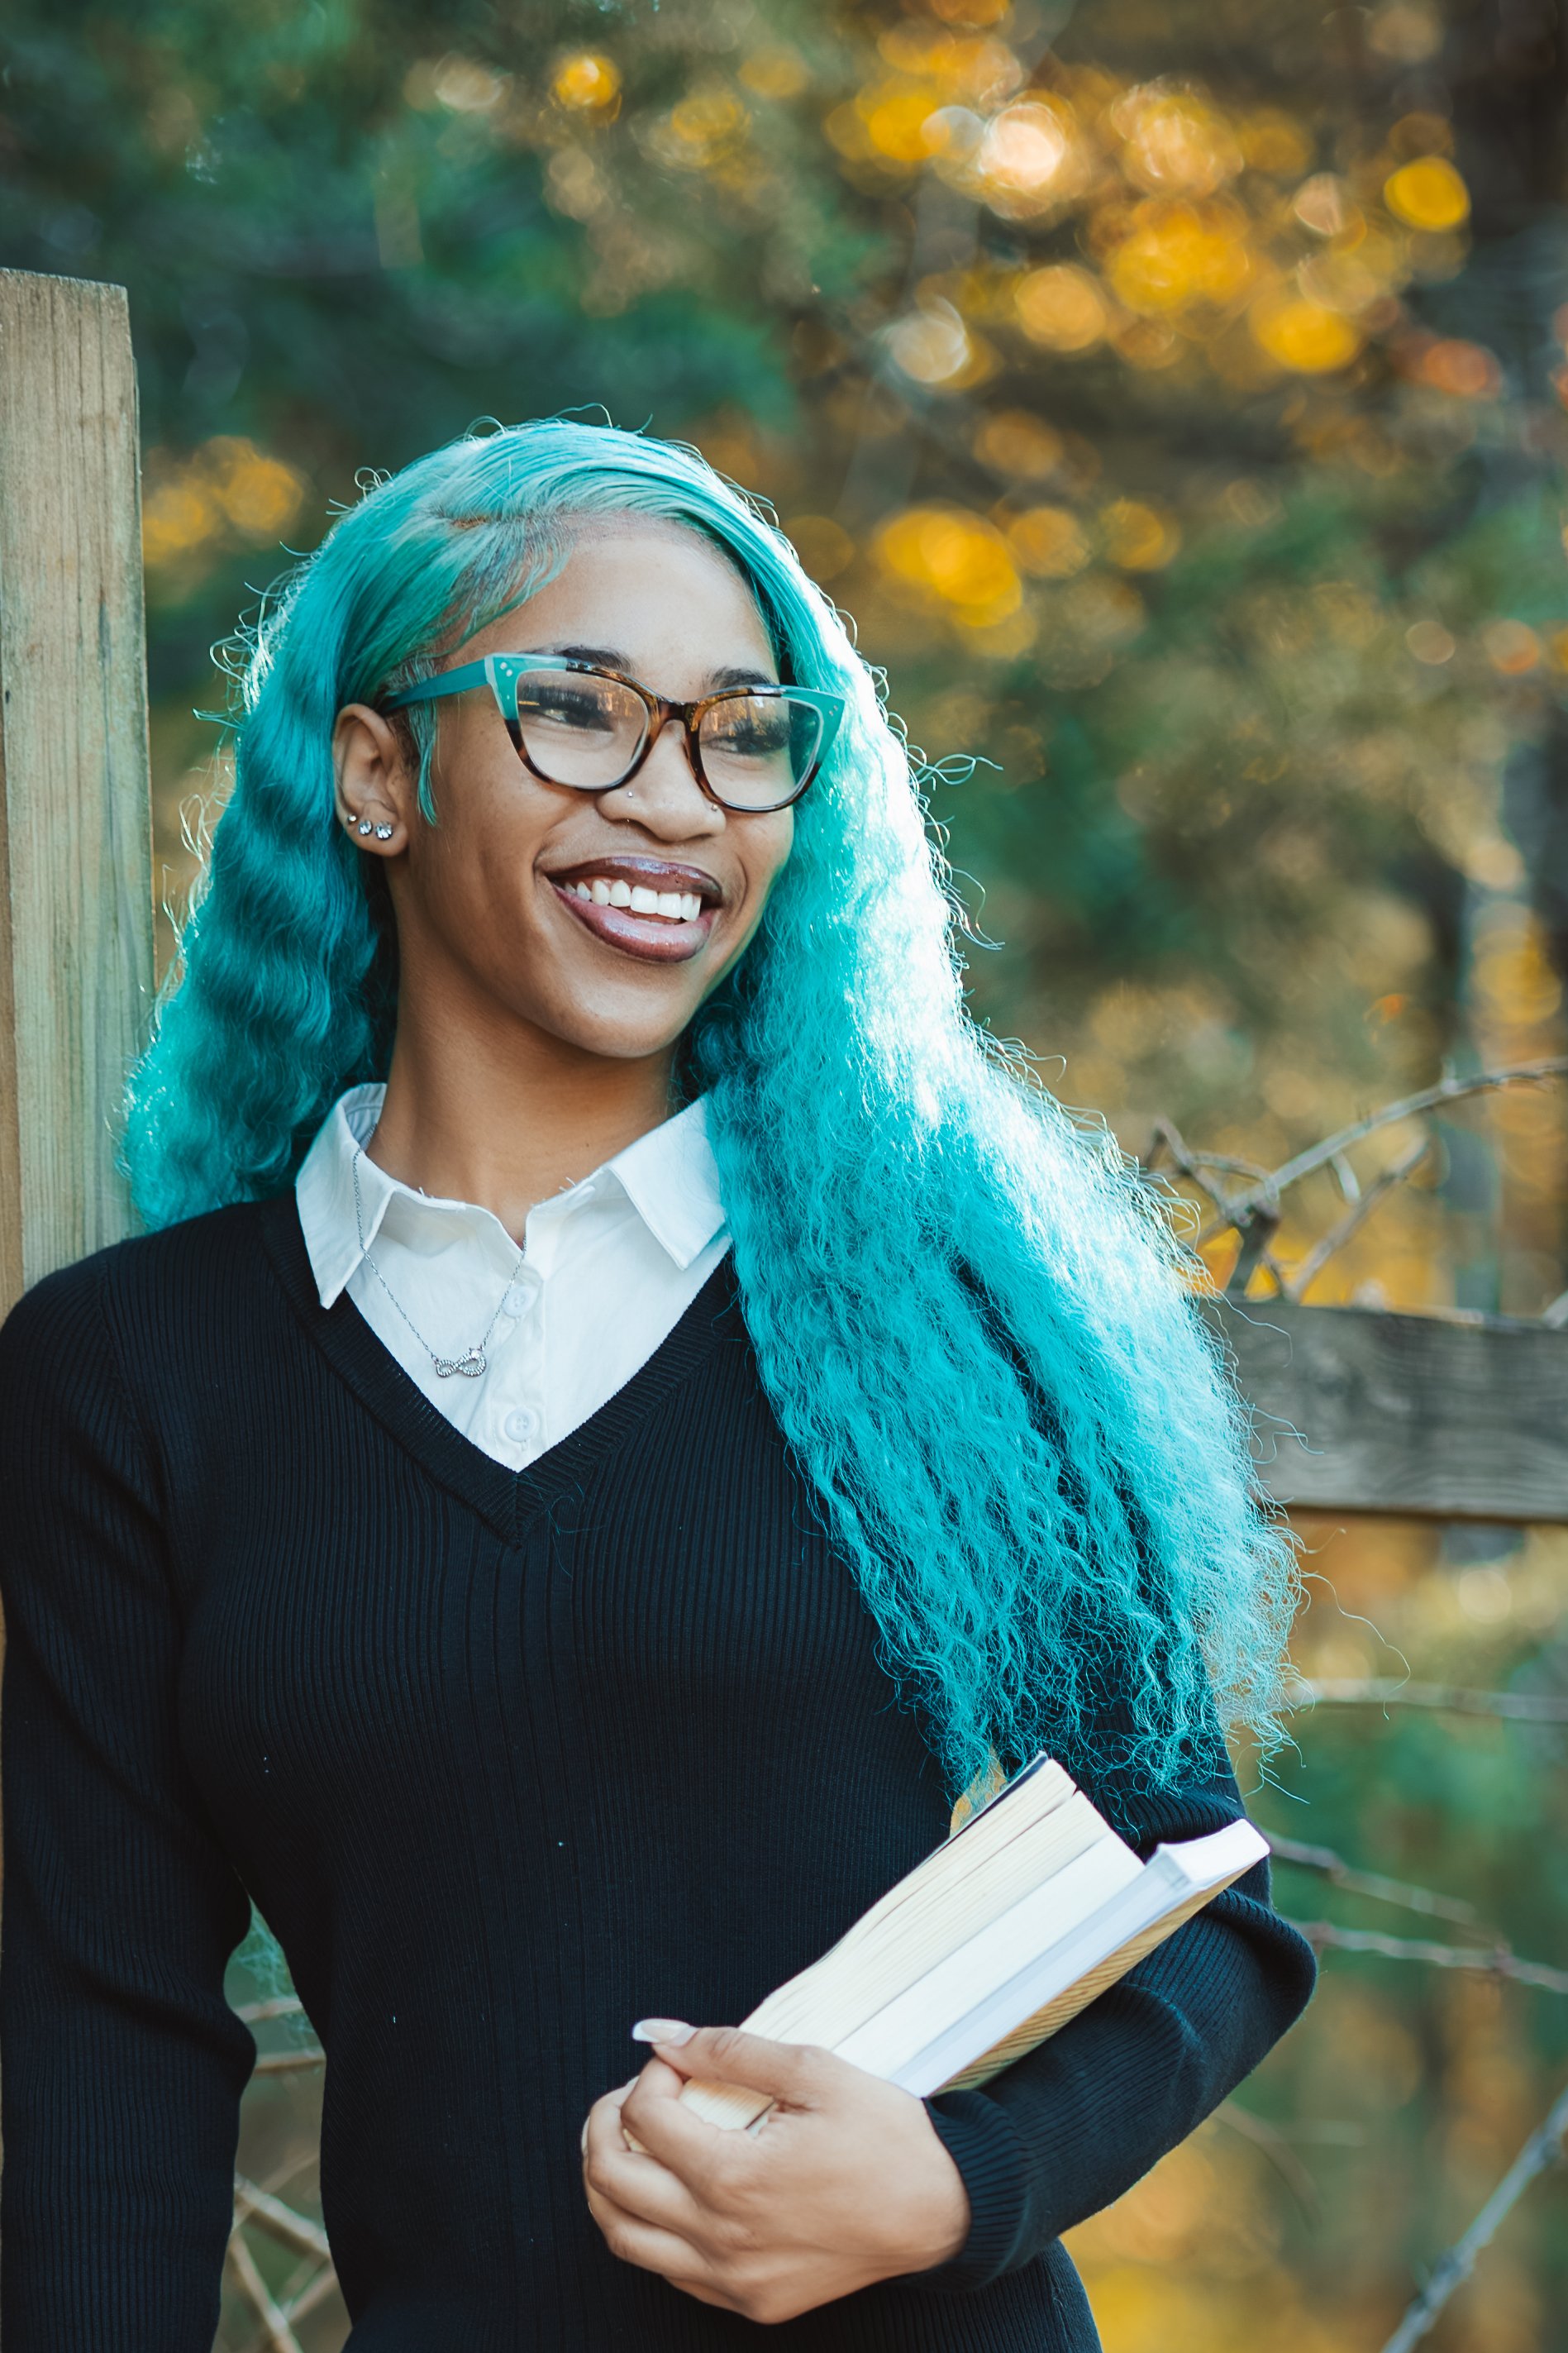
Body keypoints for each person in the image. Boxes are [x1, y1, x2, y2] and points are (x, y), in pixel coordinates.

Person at [0, 418, 1313, 2349]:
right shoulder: (132, 1378)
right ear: (376, 770)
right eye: (581, 713)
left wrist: (958, 2184)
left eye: (740, 730)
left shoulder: (943, 1308)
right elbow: (102, 2040)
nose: (679, 797)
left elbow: (1195, 1886)